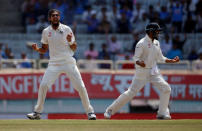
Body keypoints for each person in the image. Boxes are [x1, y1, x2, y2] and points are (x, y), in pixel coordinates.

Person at [27, 9, 96, 120]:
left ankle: (90, 112)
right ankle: (37, 112)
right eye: (53, 15)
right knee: (44, 85)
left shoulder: (66, 29)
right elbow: (44, 50)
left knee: (81, 87)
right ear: (49, 18)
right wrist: (37, 49)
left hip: (68, 61)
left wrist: (70, 41)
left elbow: (74, 47)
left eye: (57, 15)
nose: (55, 17)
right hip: (54, 63)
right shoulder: (46, 31)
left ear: (59, 17)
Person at [104, 23, 180, 120]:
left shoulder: (156, 43)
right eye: (156, 31)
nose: (158, 33)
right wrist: (140, 63)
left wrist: (172, 61)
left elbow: (160, 58)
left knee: (166, 88)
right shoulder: (141, 43)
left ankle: (161, 113)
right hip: (142, 72)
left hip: (154, 72)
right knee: (130, 93)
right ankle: (109, 110)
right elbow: (135, 58)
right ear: (150, 31)